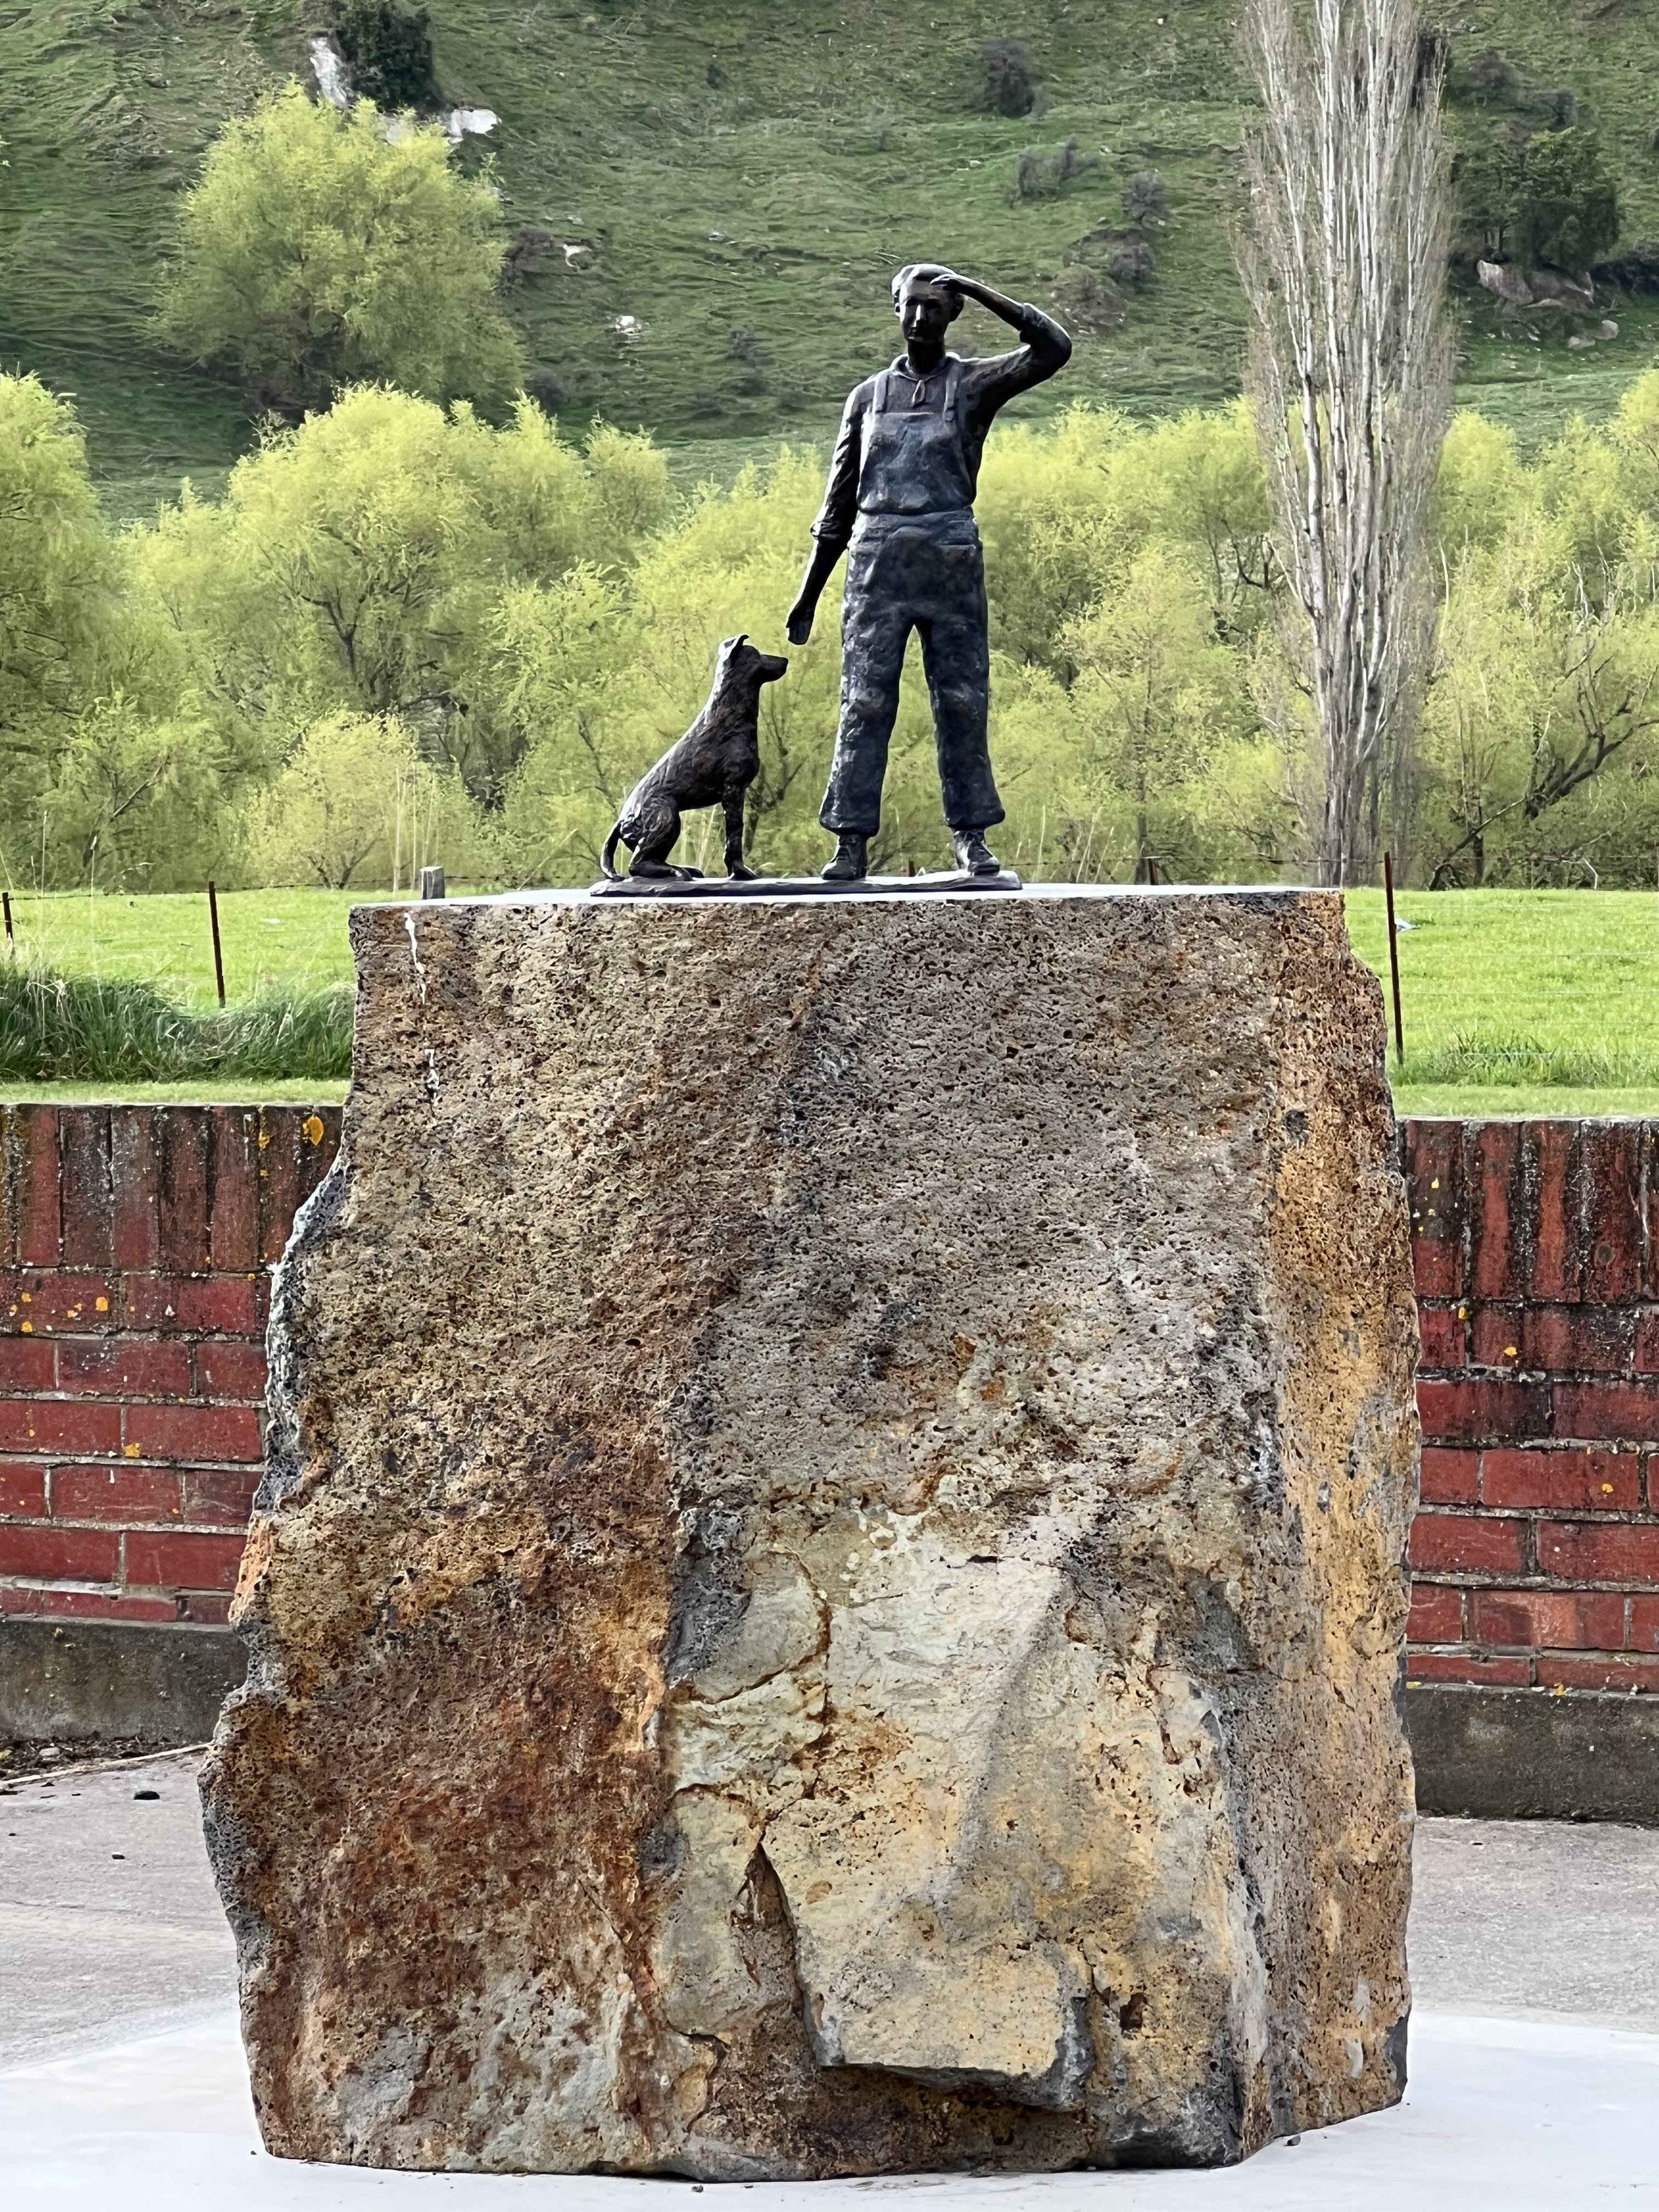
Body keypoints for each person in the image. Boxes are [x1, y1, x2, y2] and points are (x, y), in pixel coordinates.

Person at [786, 264, 1071, 881]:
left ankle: (971, 834)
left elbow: (1053, 348)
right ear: (896, 310)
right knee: (863, 702)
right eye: (911, 306)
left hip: (950, 557)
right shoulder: (866, 398)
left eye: (935, 307)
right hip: (876, 562)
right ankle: (849, 839)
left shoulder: (971, 385)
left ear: (952, 314)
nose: (920, 318)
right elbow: (837, 504)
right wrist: (809, 595)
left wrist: (975, 286)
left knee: (963, 699)